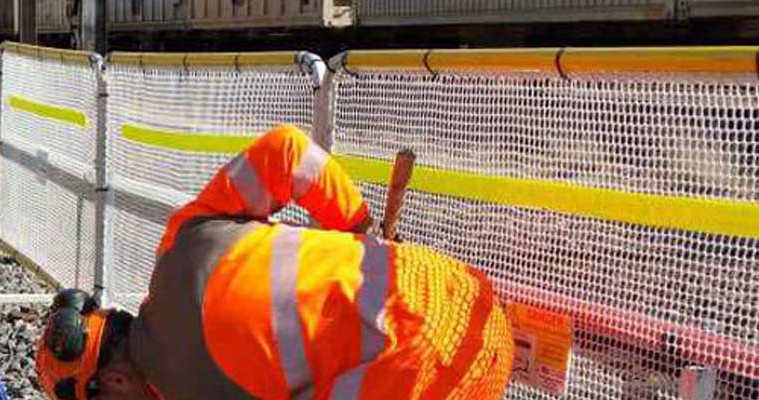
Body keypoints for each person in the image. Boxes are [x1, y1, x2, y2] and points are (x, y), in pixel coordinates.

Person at [34, 125, 514, 400]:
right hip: (458, 286)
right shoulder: (182, 242)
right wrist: (358, 232)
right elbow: (288, 151)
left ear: (115, 380)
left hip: (453, 380)